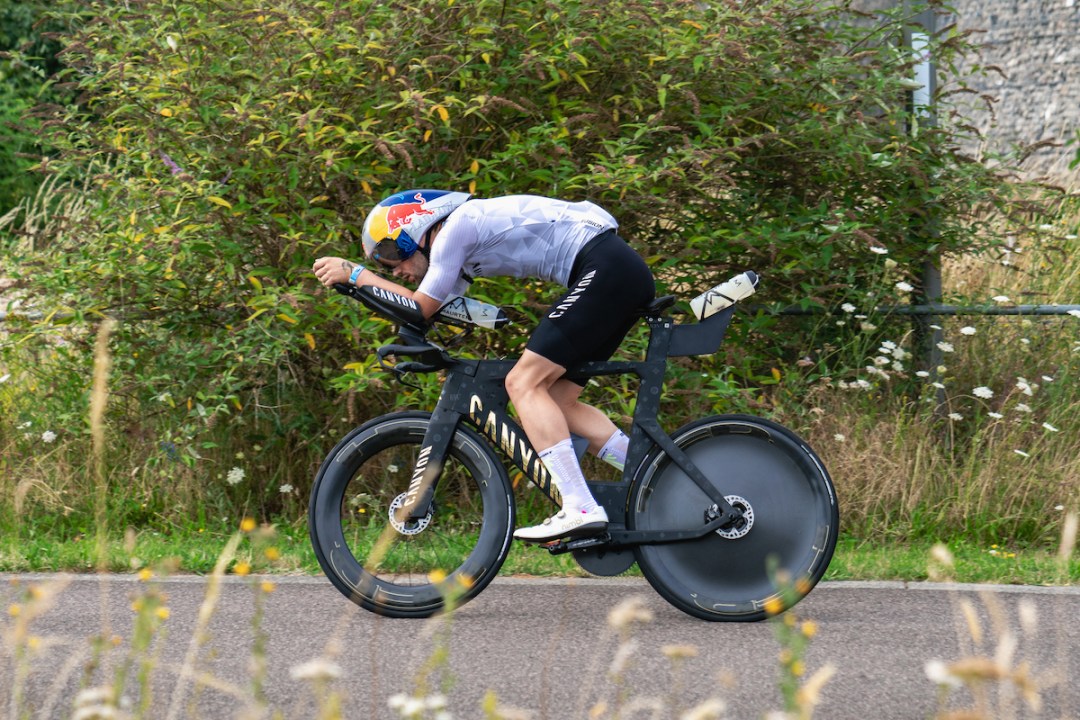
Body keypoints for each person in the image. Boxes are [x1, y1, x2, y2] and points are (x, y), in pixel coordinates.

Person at [312, 190, 655, 543]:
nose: (395, 269)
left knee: (523, 383)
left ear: (415, 228)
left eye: (390, 254)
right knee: (557, 401)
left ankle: (581, 507)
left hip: (604, 268)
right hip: (614, 270)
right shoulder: (455, 256)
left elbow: (418, 308)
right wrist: (385, 317)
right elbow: (423, 314)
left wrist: (356, 276)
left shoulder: (455, 229)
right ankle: (658, 475)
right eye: (386, 265)